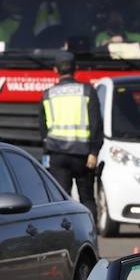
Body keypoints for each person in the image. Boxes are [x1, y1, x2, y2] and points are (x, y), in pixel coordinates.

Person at [40, 52, 103, 222]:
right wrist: (94, 152)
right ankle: (90, 232)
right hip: (83, 155)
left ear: (55, 70)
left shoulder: (48, 94)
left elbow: (43, 129)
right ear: (76, 69)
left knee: (61, 199)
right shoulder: (87, 91)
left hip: (57, 155)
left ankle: (65, 234)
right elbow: (97, 124)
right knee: (87, 198)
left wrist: (47, 154)